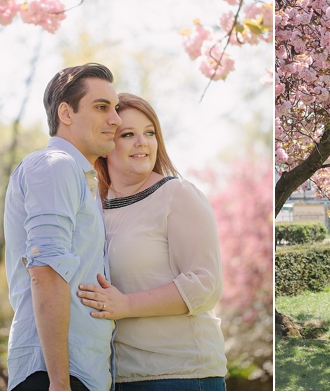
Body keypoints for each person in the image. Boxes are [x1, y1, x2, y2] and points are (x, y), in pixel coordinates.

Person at [76, 93, 227, 391]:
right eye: (128, 134)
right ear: (106, 144)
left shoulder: (177, 194)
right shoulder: (94, 209)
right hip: (114, 377)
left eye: (149, 133)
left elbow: (206, 285)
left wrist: (127, 304)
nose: (142, 142)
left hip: (181, 374)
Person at [4, 63, 121, 390]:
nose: (116, 119)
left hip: (81, 374)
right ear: (66, 113)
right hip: (54, 376)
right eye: (101, 107)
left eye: (115, 108)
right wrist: (59, 383)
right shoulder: (55, 166)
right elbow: (46, 270)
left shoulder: (81, 177)